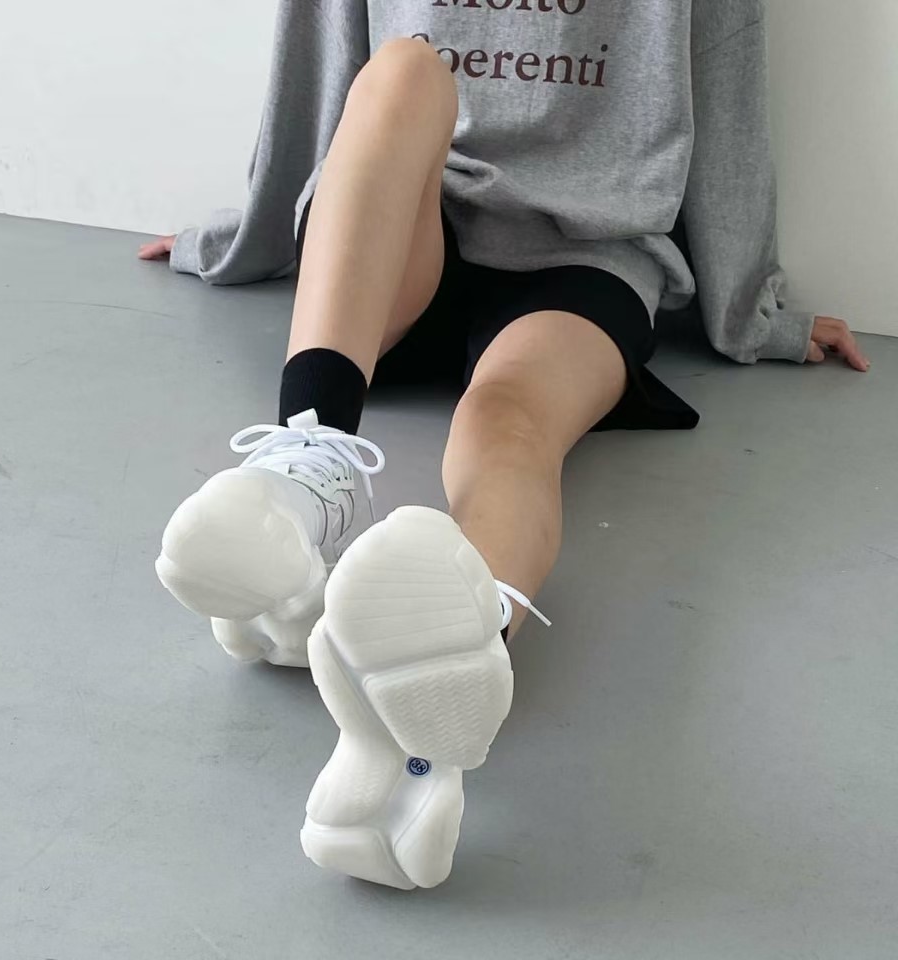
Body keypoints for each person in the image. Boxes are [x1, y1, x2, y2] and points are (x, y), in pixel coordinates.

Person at [139, 0, 870, 890]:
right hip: (401, 233)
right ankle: (308, 471)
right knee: (404, 73)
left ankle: (445, 670)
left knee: (510, 424)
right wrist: (249, 238)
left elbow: (725, 87)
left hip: (588, 253)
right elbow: (320, 68)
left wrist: (752, 308)